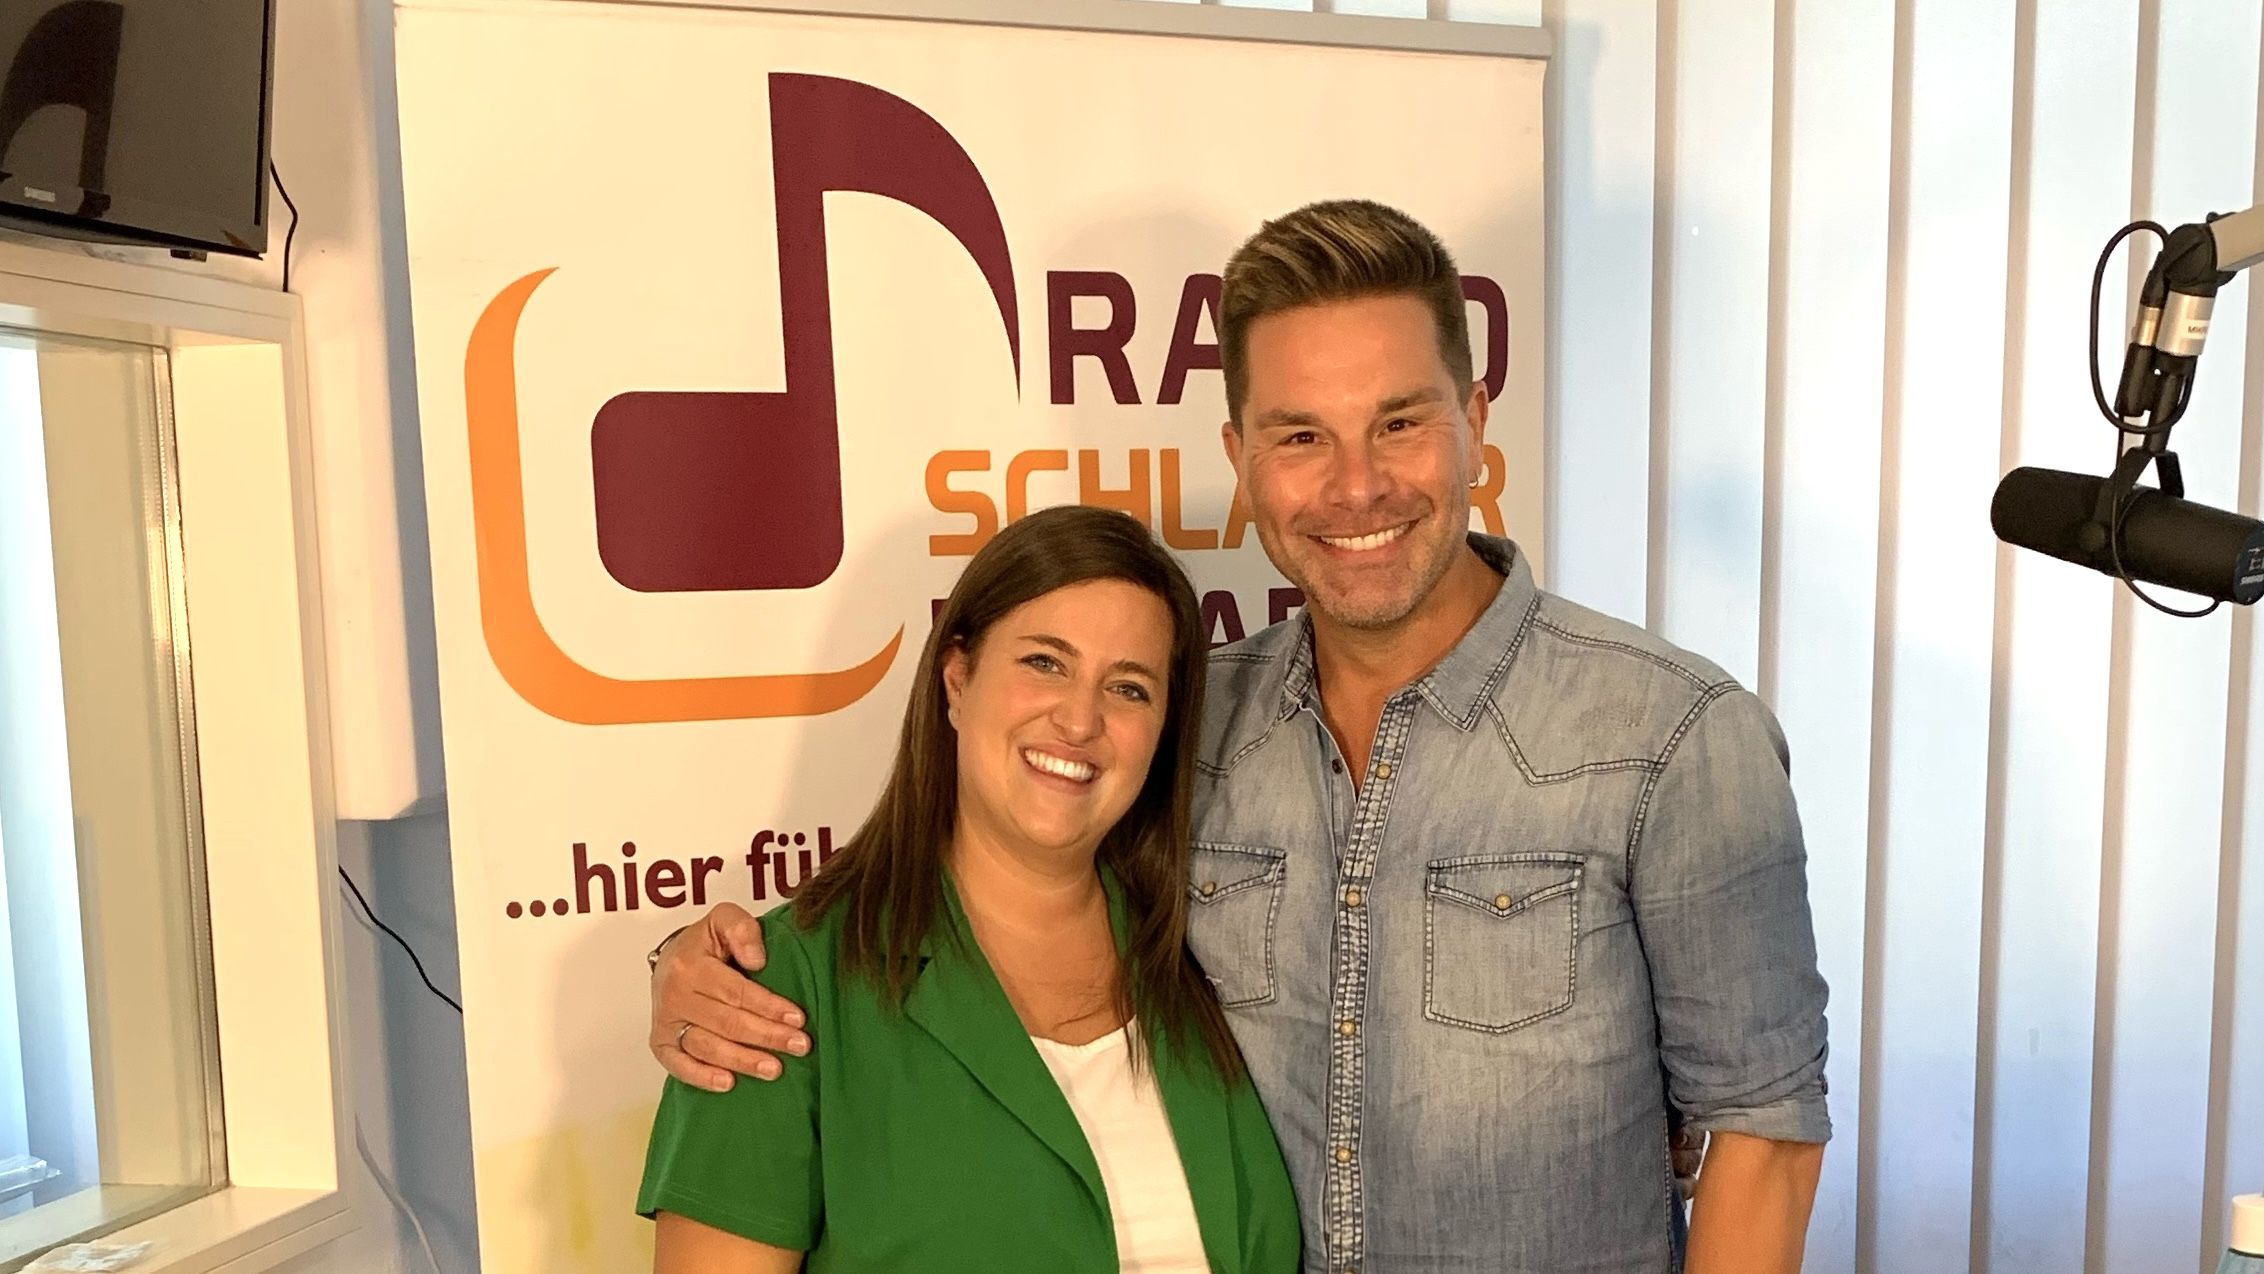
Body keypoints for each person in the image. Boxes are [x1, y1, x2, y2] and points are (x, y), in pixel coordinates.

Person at [648, 201, 1831, 1273]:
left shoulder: (1673, 738)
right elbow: (1009, 888)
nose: (1355, 486)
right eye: (1300, 435)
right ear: (1241, 459)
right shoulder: (1189, 723)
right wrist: (703, 965)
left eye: (1398, 421)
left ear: (1473, 422)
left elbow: (1762, 1136)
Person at [639, 505, 1300, 1272]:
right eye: (1045, 663)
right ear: (957, 679)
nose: (1079, 719)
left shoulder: (1212, 946)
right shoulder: (773, 995)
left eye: (1129, 688)